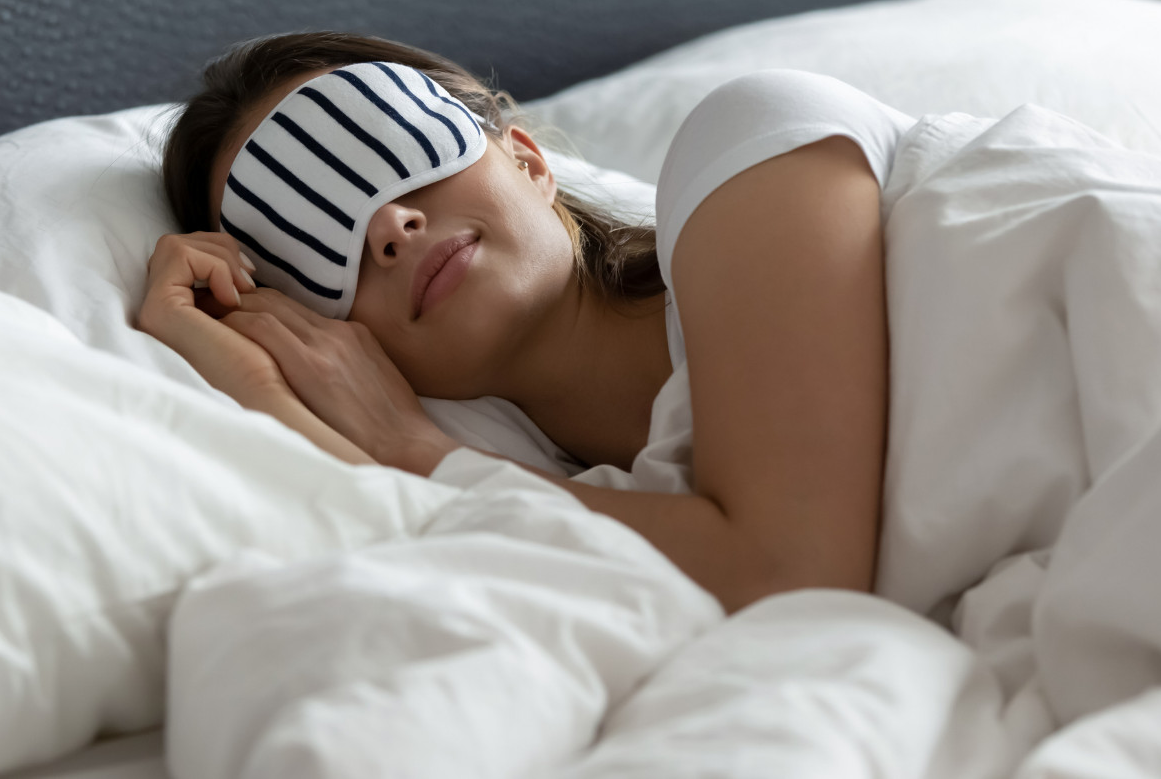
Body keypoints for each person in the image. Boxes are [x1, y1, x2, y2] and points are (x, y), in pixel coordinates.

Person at [139, 31, 901, 613]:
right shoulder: (595, 509)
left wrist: (409, 445)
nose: (389, 227)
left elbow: (789, 577)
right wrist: (262, 388)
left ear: (530, 163)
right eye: (310, 238)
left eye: (388, 149)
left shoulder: (751, 150)